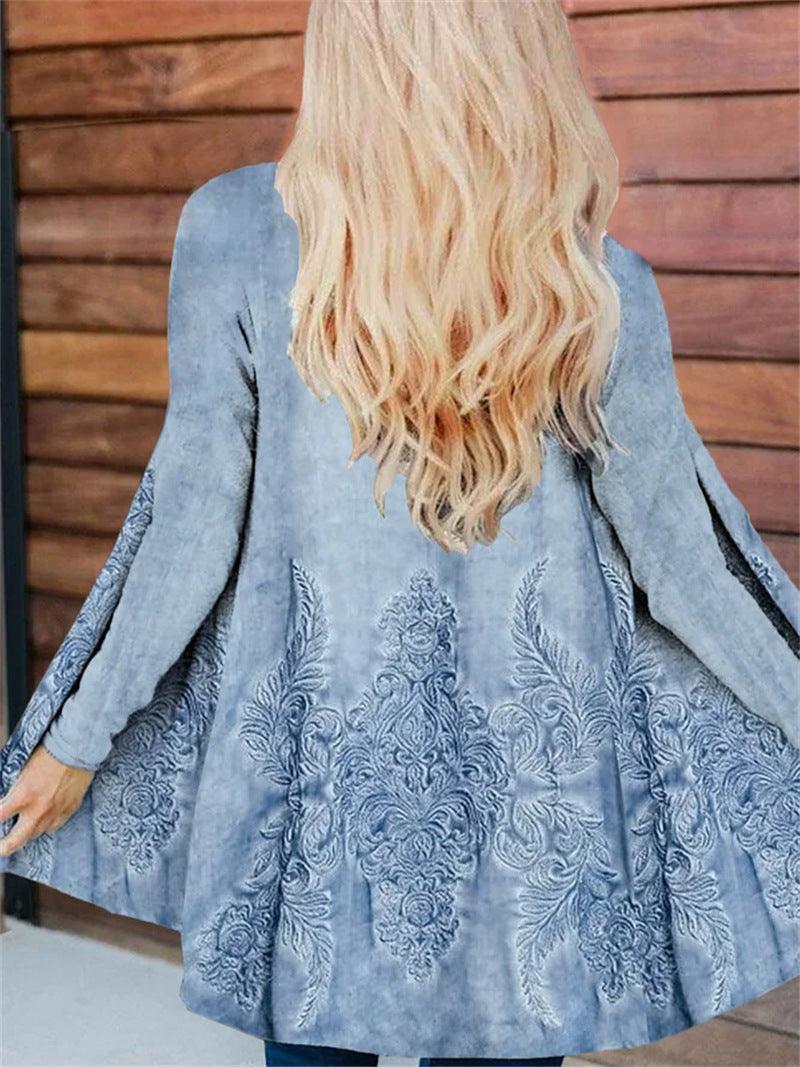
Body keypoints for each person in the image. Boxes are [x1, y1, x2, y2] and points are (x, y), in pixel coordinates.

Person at [1, 2, 798, 1065]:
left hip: (321, 801)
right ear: (521, 52)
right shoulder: (593, 285)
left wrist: (75, 739)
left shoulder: (238, 233)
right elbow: (689, 567)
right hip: (536, 819)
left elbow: (189, 526)